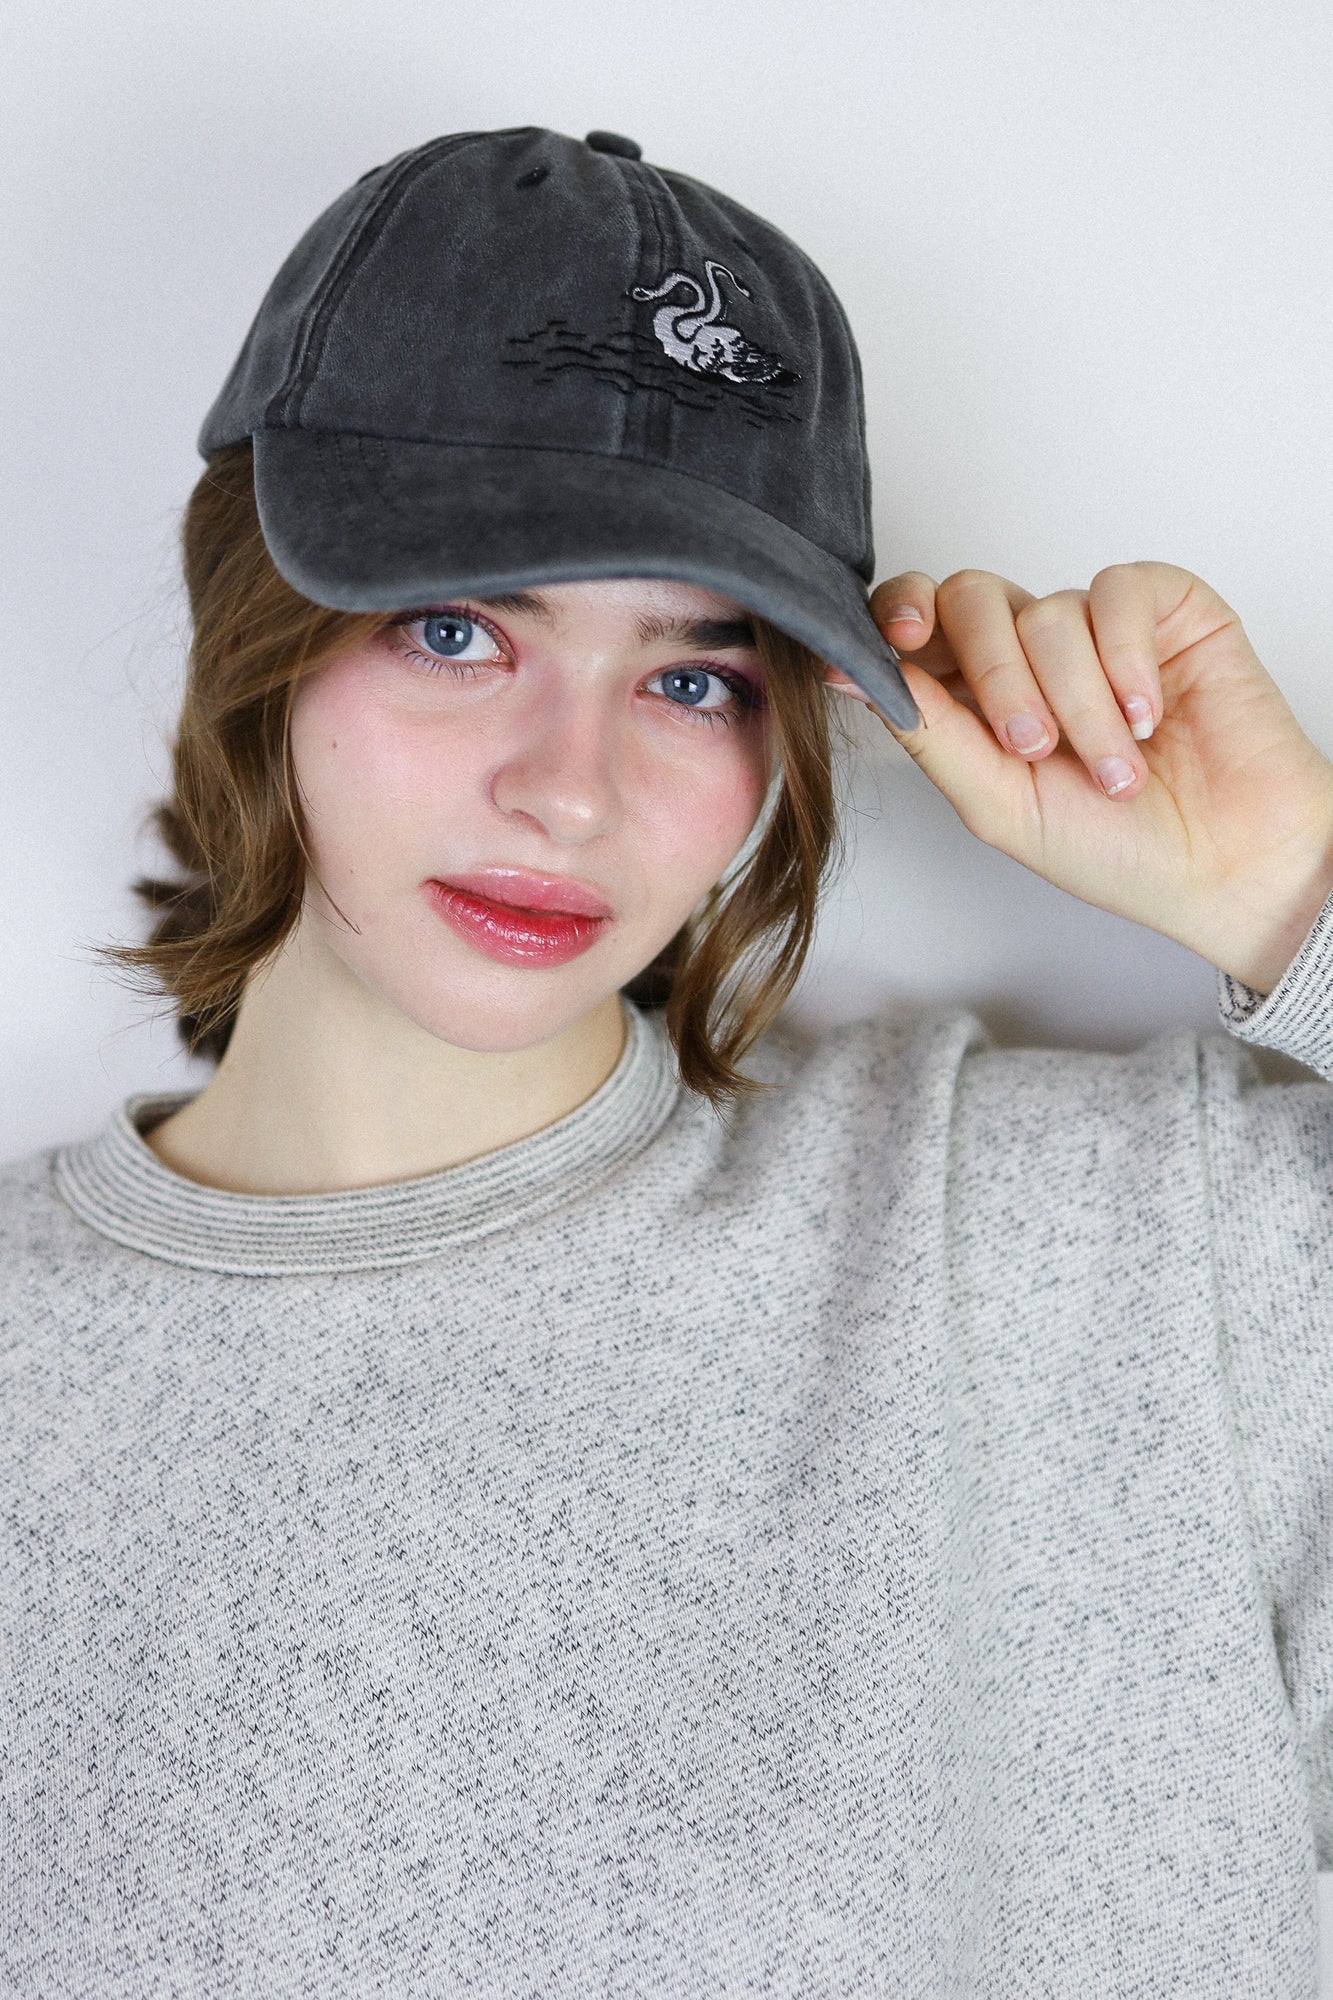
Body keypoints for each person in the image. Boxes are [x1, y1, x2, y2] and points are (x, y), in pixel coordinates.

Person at [3, 125, 1331, 1999]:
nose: (570, 786)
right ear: (259, 640)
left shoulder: (1115, 1252)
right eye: (455, 630)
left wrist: (1295, 895)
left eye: (693, 674)